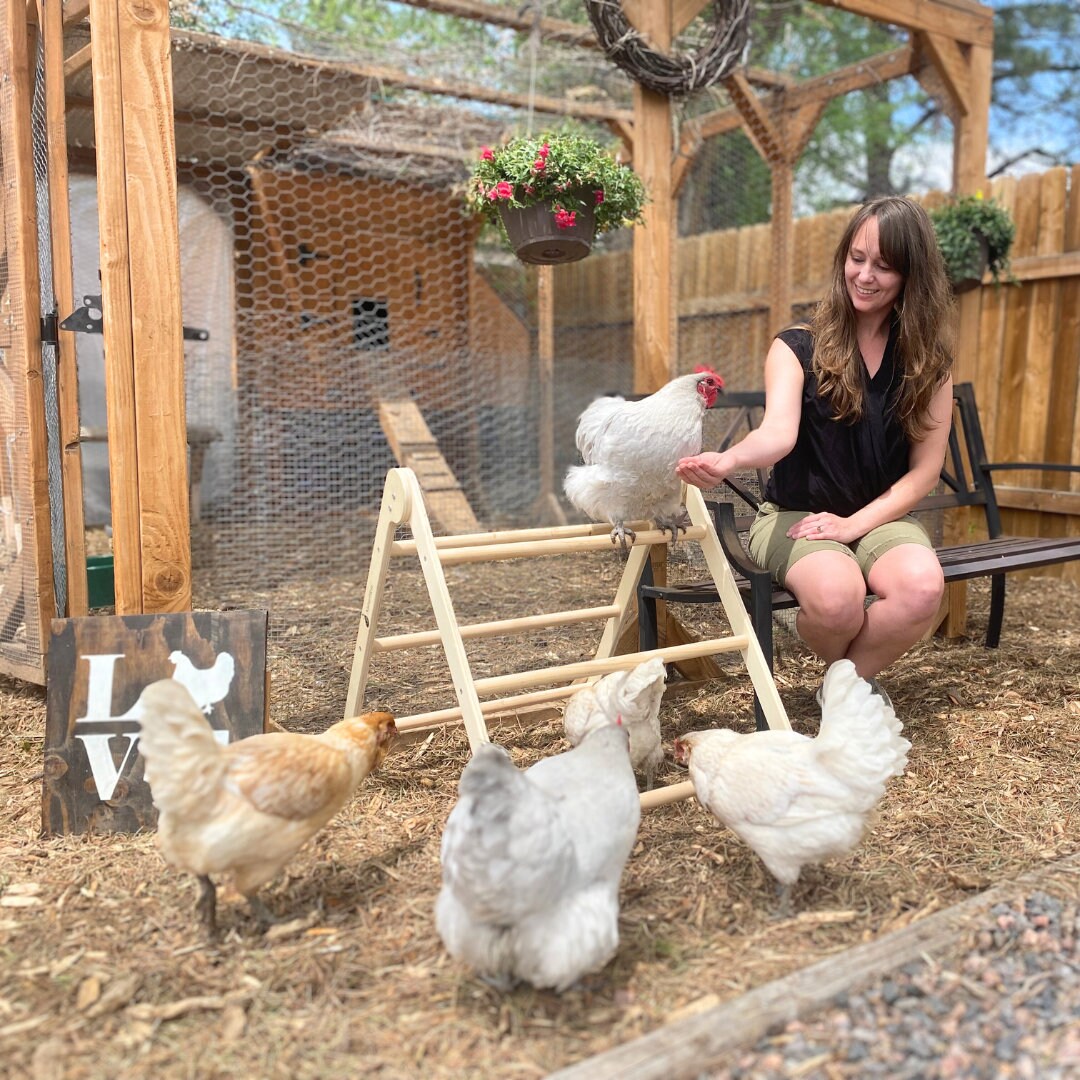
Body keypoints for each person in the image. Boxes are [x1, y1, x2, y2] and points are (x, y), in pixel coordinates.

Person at [676, 195, 956, 706]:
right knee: (836, 599)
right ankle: (854, 685)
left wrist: (852, 526)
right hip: (794, 514)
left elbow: (923, 473)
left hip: (879, 517)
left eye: (884, 265)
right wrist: (731, 459)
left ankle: (844, 686)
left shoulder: (928, 362)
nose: (865, 275)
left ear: (912, 276)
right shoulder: (797, 345)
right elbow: (778, 434)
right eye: (856, 258)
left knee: (921, 588)